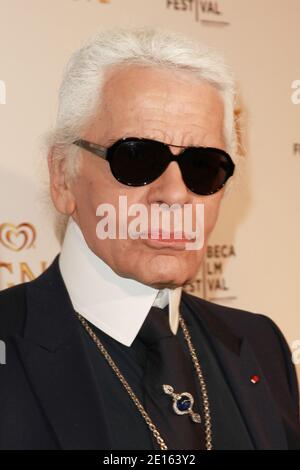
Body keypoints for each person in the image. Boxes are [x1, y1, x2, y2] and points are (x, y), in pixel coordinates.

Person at [0, 28, 299, 450]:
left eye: (202, 165)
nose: (175, 195)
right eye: (137, 157)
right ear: (62, 176)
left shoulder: (262, 346)